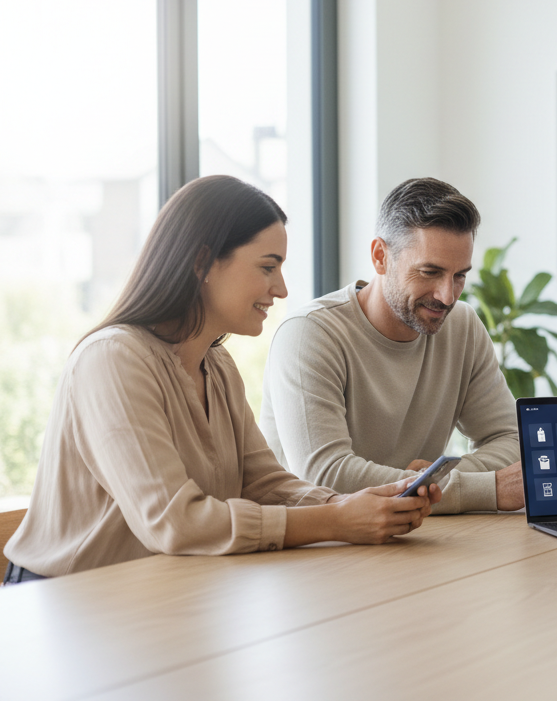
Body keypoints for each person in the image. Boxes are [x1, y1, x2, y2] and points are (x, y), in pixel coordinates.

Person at [3, 176, 437, 583]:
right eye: (268, 267)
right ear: (201, 262)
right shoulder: (113, 360)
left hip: (162, 591)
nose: (282, 288)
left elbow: (263, 483)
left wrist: (350, 505)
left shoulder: (218, 365)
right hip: (64, 603)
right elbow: (174, 522)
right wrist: (335, 521)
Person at [261, 178, 522, 514]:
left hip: (410, 535)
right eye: (430, 272)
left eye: (459, 276)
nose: (447, 295)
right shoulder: (309, 335)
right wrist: (486, 488)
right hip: (315, 550)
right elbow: (325, 475)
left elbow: (512, 441)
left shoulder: (463, 327)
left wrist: (429, 482)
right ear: (380, 257)